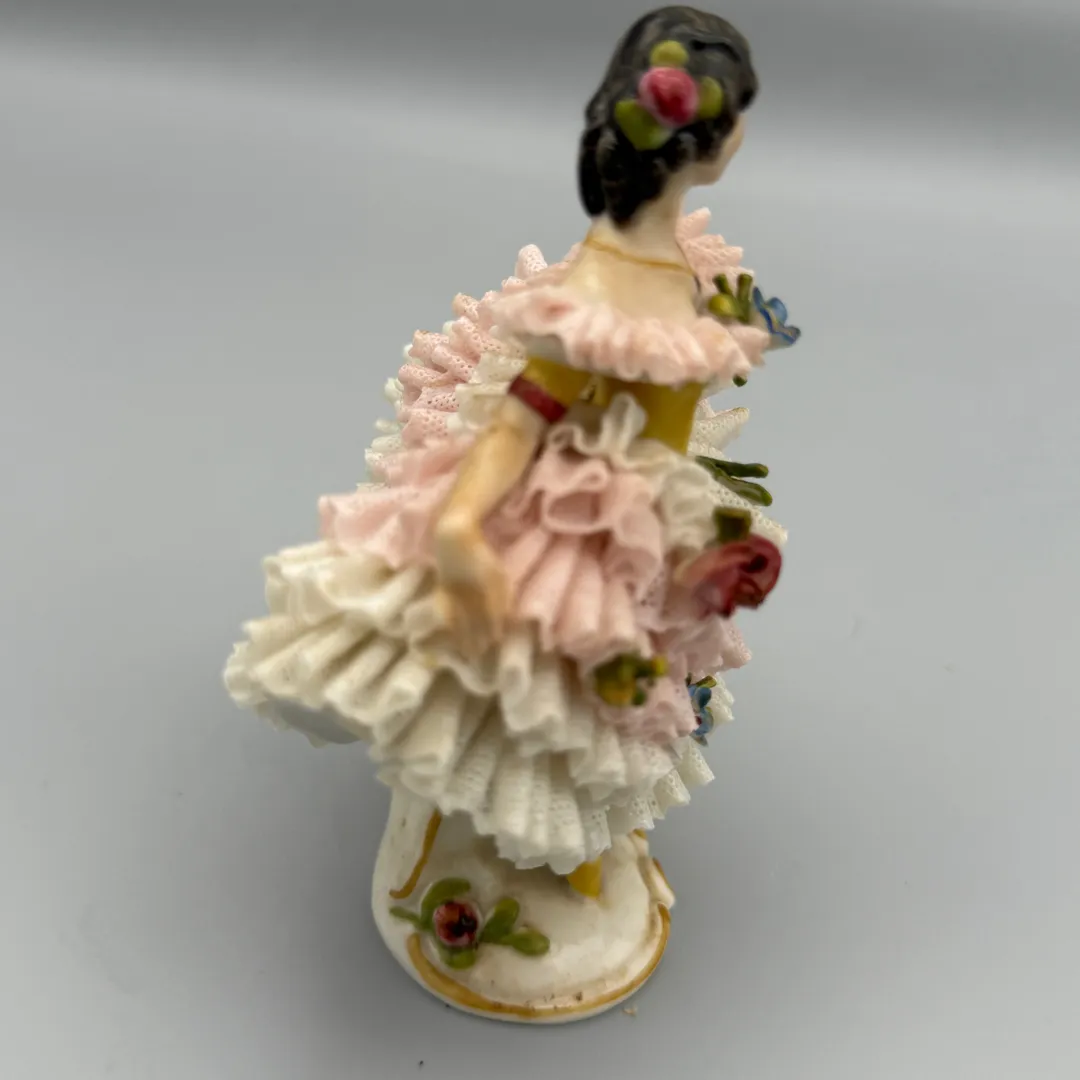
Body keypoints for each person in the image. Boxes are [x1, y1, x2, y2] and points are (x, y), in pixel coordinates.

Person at [225, 6, 799, 1018]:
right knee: (548, 697)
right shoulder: (601, 289)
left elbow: (674, 399)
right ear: (706, 140)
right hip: (577, 520)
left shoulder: (673, 267)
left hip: (645, 517)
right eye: (738, 115)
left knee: (602, 700)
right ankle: (500, 849)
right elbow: (524, 417)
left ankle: (563, 854)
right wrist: (458, 527)